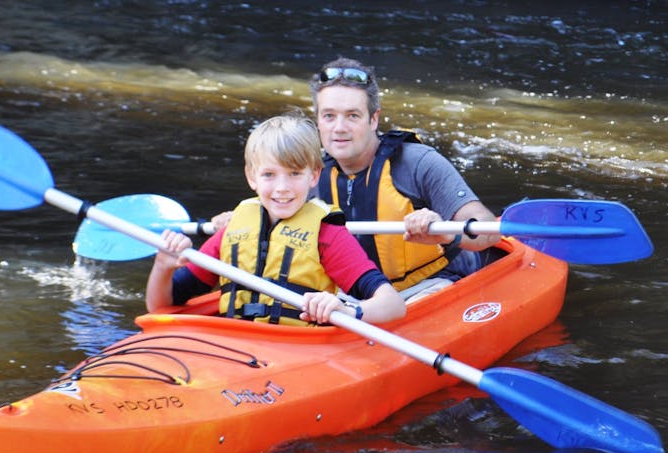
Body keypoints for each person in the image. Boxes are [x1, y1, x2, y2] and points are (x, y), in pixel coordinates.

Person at [146, 112, 406, 326]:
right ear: (251, 177)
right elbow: (161, 307)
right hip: (231, 346)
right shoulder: (232, 231)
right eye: (269, 175)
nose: (282, 187)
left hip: (294, 351)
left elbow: (392, 305)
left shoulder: (327, 236)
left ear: (314, 175)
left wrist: (348, 310)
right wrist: (163, 267)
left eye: (294, 173)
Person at [308, 57, 501, 292]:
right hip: (351, 294)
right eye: (329, 116)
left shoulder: (417, 163)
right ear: (318, 120)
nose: (339, 128)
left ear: (373, 119)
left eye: (352, 116)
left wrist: (445, 232)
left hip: (432, 284)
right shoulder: (307, 176)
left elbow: (488, 229)